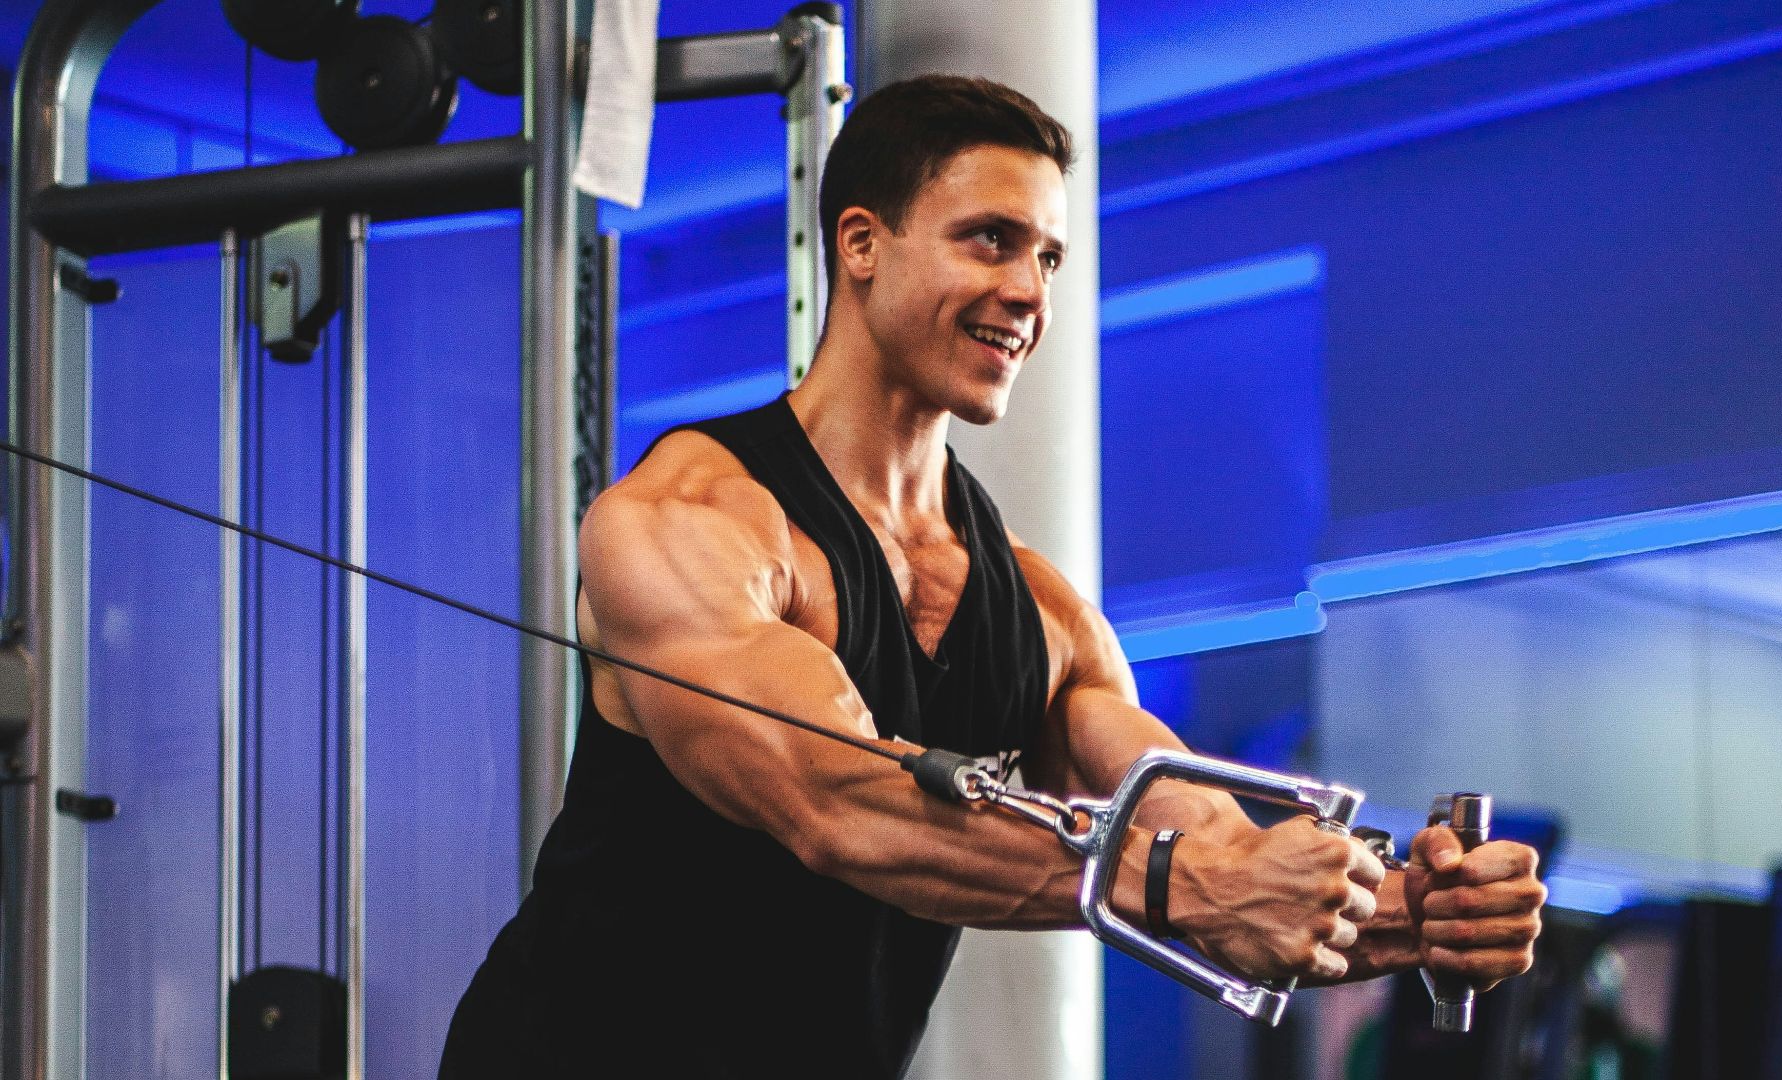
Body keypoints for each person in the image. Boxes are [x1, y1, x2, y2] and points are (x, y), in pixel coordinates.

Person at [440, 74, 1547, 1080]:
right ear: (862, 244)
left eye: (1048, 257)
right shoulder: (688, 520)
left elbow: (1190, 830)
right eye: (989, 240)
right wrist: (1194, 886)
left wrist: (1396, 912)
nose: (1028, 291)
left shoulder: (1040, 607)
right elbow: (839, 806)